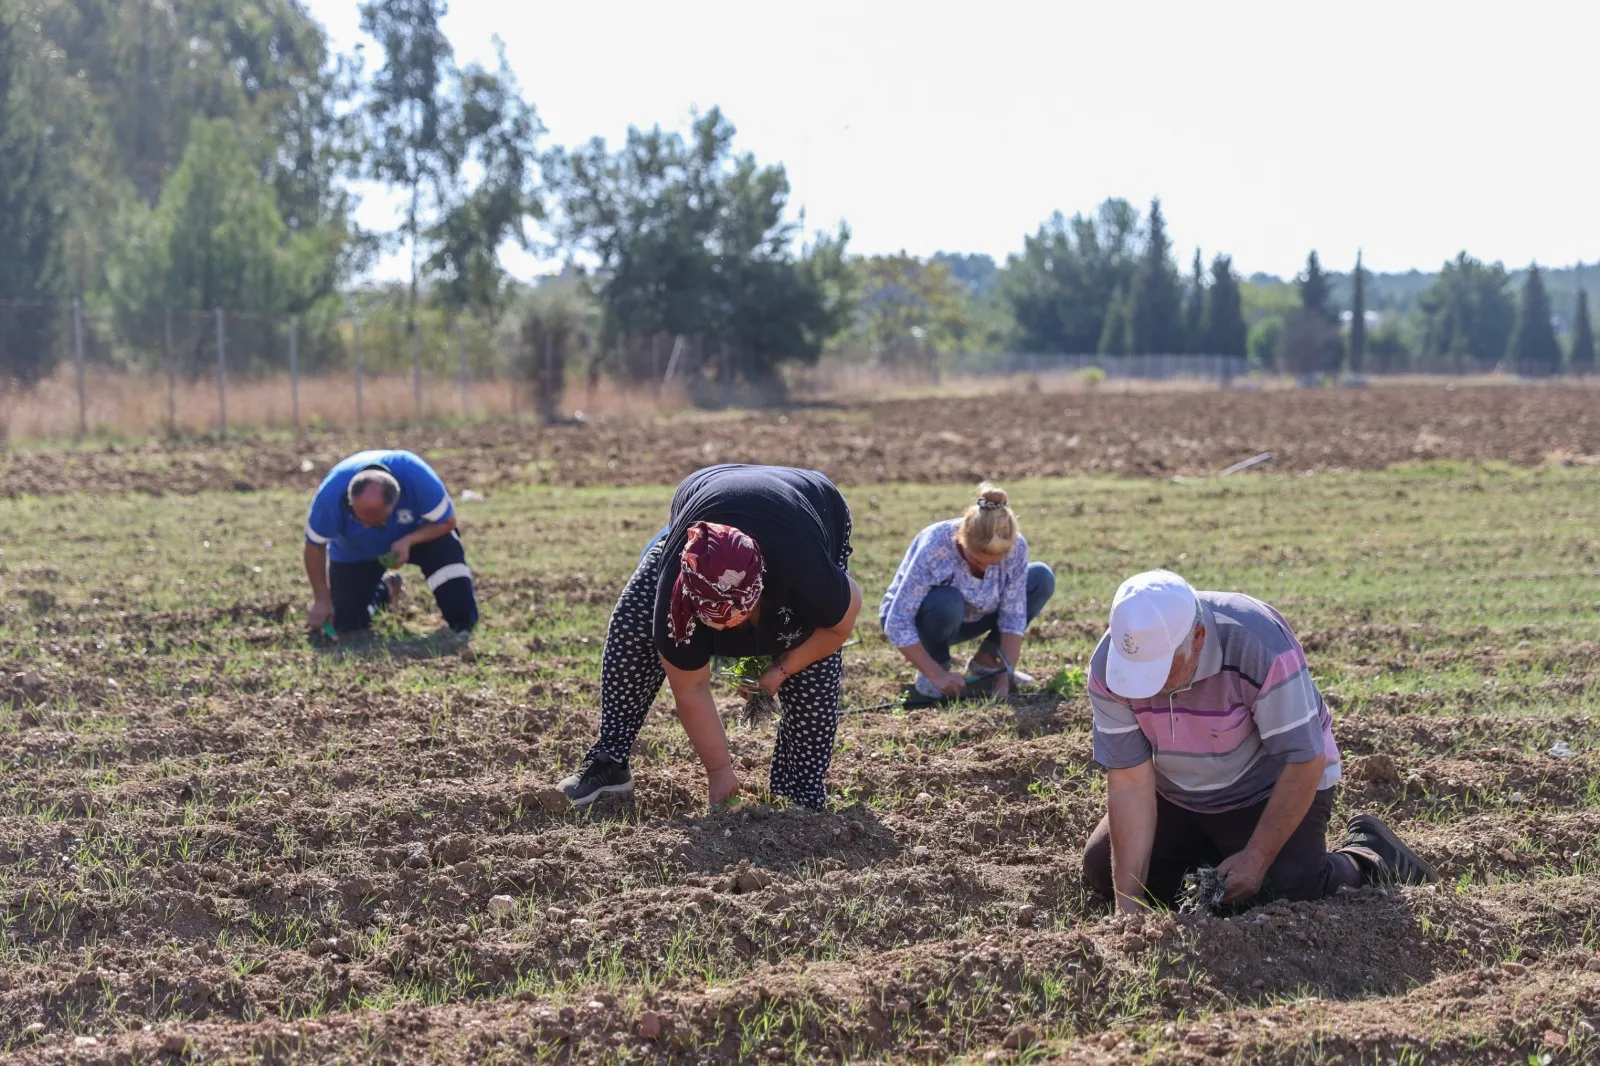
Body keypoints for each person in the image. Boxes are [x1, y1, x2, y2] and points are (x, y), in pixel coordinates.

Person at [1082, 569, 1434, 911]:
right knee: (1104, 870)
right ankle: (1218, 853)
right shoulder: (1112, 665)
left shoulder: (1258, 643)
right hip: (1177, 791)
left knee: (1290, 889)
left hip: (1268, 784)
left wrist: (1257, 856)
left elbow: (1304, 760)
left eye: (1159, 670)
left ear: (1199, 638)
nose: (1148, 687)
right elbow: (1130, 780)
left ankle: (1367, 855)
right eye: (1138, 672)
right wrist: (1128, 907)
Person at [556, 464, 861, 811]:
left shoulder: (803, 571)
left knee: (812, 658)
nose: (725, 628)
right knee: (633, 624)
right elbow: (691, 689)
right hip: (705, 504)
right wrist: (719, 771)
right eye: (713, 619)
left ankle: (799, 787)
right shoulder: (677, 584)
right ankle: (609, 760)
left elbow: (840, 625)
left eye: (736, 617)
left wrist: (780, 670)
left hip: (813, 506)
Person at [878, 483, 1055, 701]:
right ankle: (934, 666)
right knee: (947, 600)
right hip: (924, 618)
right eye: (977, 561)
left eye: (994, 563)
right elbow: (897, 621)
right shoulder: (936, 545)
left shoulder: (1016, 547)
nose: (985, 569)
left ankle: (988, 662)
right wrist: (938, 675)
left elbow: (1013, 616)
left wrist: (1005, 673)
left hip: (974, 615)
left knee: (1041, 577)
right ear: (963, 539)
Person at [303, 449, 478, 637]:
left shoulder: (415, 477)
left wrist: (408, 541)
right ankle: (385, 590)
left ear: (395, 503)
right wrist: (321, 598)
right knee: (344, 624)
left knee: (445, 546)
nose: (367, 527)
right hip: (355, 552)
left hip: (417, 539)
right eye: (360, 518)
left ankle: (462, 622)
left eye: (376, 520)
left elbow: (447, 521)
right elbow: (314, 546)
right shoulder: (330, 496)